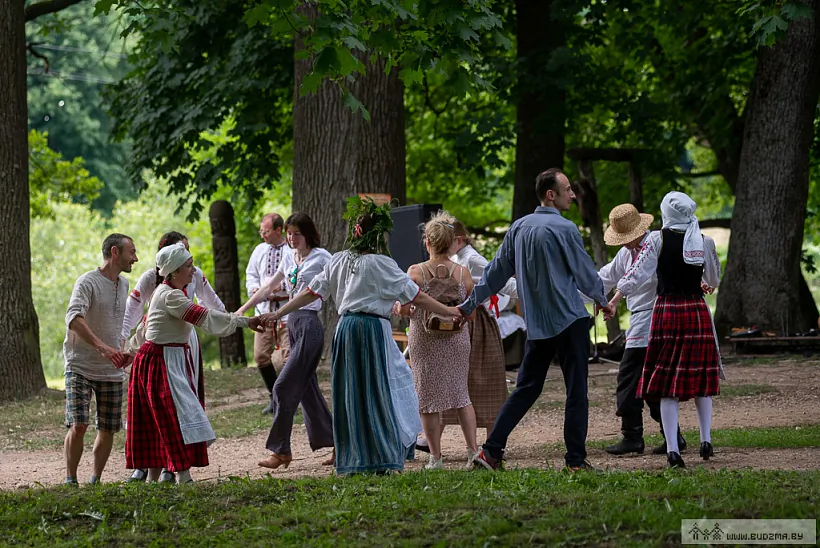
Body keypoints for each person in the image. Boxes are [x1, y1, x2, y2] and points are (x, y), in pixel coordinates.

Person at [259, 198, 463, 475]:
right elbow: (417, 296)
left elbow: (311, 292)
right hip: (371, 330)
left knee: (351, 391)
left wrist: (278, 311)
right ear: (379, 235)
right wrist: (448, 310)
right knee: (377, 389)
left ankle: (355, 456)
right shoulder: (381, 263)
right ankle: (379, 455)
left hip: (346, 329)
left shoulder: (339, 260)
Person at [459, 168, 613, 471]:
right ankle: (576, 461)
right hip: (570, 321)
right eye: (567, 189)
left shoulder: (518, 228)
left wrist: (469, 304)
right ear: (550, 195)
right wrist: (603, 299)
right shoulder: (565, 229)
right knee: (576, 392)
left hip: (538, 325)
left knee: (526, 388)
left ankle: (490, 452)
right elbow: (584, 273)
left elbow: (495, 273)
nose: (573, 194)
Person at [126, 243, 265, 483]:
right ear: (175, 270)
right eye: (188, 266)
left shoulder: (169, 293)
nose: (193, 271)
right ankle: (182, 476)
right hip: (160, 361)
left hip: (166, 359)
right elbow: (205, 317)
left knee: (167, 417)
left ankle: (155, 478)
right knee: (173, 417)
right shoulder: (170, 296)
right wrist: (246, 322)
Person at [606, 191, 722, 468]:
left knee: (666, 382)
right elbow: (713, 277)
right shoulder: (704, 241)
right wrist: (704, 284)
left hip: (667, 311)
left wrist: (615, 298)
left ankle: (673, 449)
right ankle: (705, 440)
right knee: (700, 380)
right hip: (695, 310)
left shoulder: (657, 239)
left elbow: (636, 274)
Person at [122, 231, 227, 483]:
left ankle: (172, 466)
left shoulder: (194, 274)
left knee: (182, 401)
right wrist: (123, 342)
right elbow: (133, 308)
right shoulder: (153, 279)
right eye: (183, 253)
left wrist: (227, 319)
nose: (190, 262)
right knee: (162, 405)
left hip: (184, 336)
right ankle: (151, 466)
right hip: (158, 339)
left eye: (189, 252)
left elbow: (211, 305)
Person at [237, 213, 335, 470]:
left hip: (309, 326)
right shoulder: (289, 257)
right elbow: (268, 287)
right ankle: (341, 444)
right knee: (308, 392)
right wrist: (242, 310)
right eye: (289, 233)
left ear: (308, 233)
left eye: (297, 233)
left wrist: (279, 312)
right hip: (292, 326)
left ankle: (281, 452)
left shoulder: (322, 257)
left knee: (281, 387)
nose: (292, 238)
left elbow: (317, 291)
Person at [399, 211, 477, 469]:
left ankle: (436, 457)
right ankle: (472, 452)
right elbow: (473, 312)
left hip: (425, 339)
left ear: (428, 242)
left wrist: (402, 310)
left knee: (427, 398)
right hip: (457, 339)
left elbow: (406, 308)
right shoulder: (463, 273)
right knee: (461, 396)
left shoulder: (416, 272)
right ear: (452, 241)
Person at [63, 233, 139, 485]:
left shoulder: (125, 284)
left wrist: (122, 349)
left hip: (111, 370)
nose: (135, 258)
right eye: (132, 252)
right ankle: (71, 479)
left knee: (108, 428)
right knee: (79, 423)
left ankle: (95, 480)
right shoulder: (87, 282)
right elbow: (74, 319)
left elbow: (117, 325)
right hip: (80, 365)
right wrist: (103, 348)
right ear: (115, 252)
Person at [246, 213, 291, 414]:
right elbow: (251, 275)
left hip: (287, 310)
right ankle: (274, 397)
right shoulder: (259, 250)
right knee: (260, 356)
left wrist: (281, 287)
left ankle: (289, 397)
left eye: (265, 231)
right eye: (261, 231)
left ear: (278, 230)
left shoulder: (290, 250)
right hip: (263, 311)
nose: (262, 235)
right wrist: (255, 289)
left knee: (288, 357)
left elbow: (297, 275)